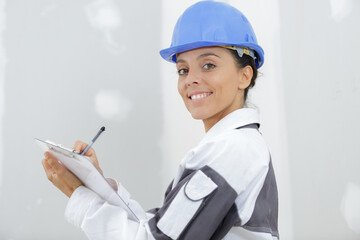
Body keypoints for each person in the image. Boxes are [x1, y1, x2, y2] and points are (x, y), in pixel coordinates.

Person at [41, 1, 279, 239]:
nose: (190, 80)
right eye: (183, 70)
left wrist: (78, 194)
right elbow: (159, 228)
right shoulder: (236, 145)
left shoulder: (232, 149)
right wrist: (96, 184)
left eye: (208, 65)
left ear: (244, 76)